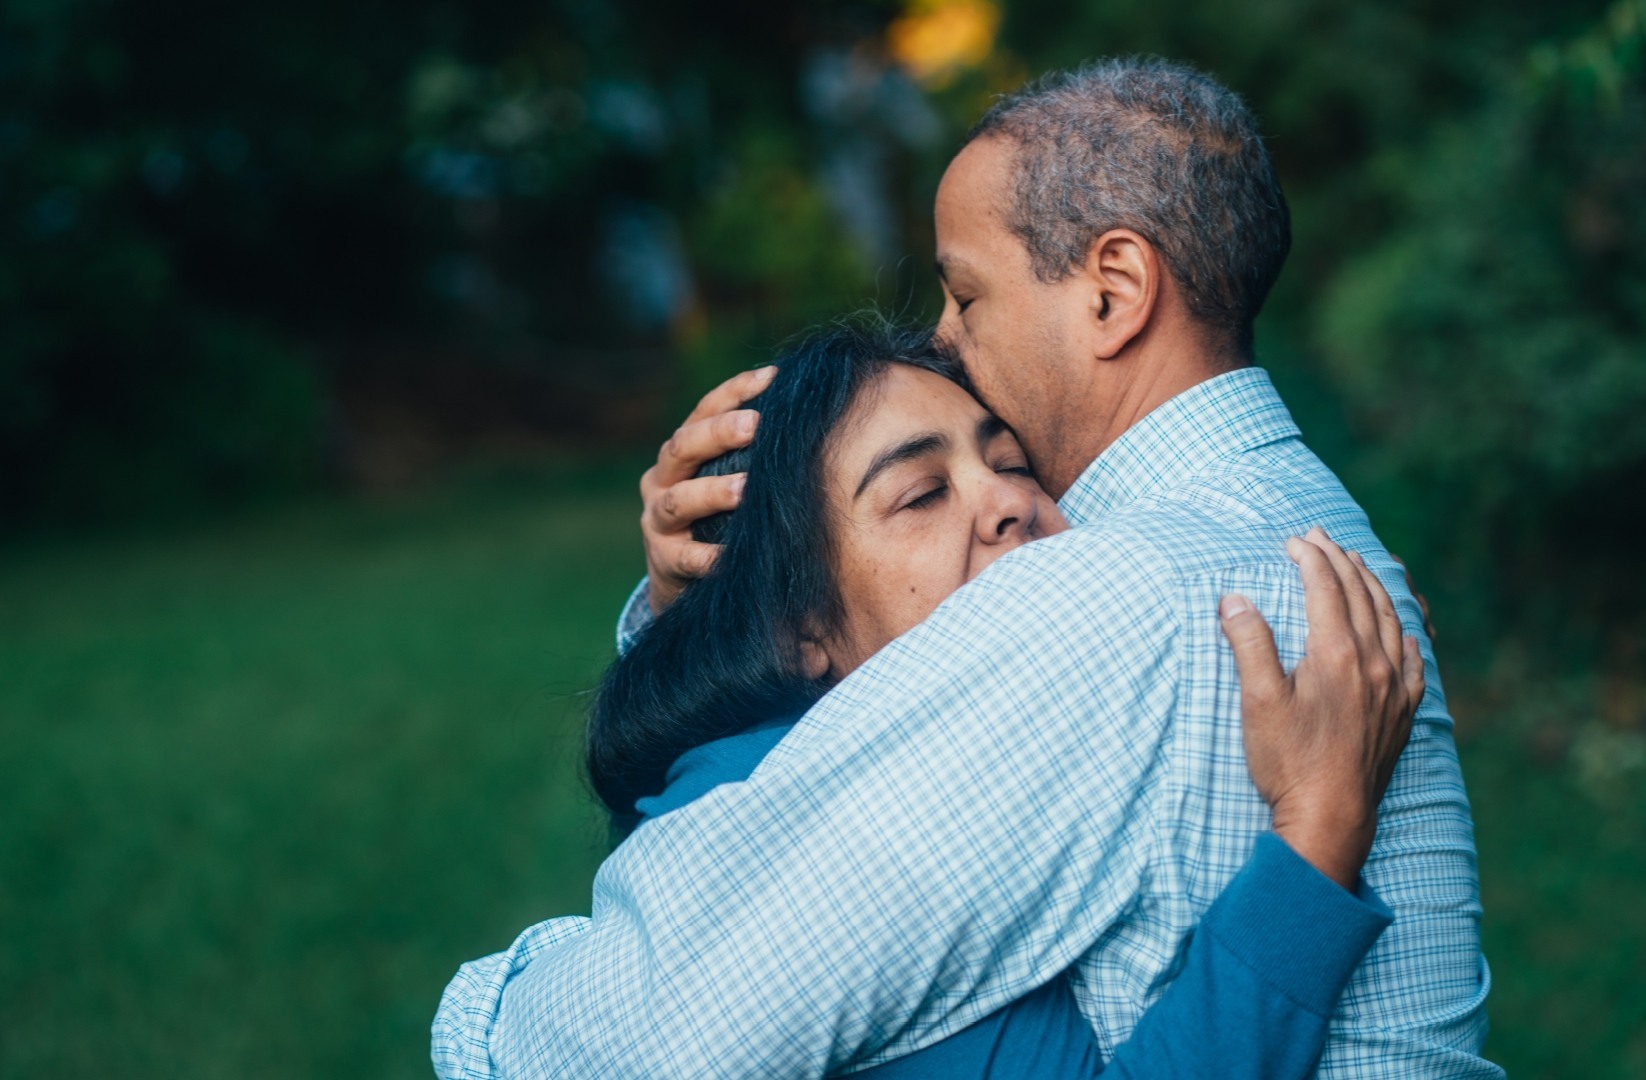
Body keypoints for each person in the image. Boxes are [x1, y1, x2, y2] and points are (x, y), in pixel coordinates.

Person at [439, 58, 1495, 1078]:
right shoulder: (1300, 532)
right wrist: (702, 609)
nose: (943, 341)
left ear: (1114, 291)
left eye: (967, 296)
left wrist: (487, 1004)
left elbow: (637, 1036)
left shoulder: (1106, 596)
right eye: (921, 488)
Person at [560, 321, 1418, 1078]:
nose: (1010, 500)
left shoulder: (759, 762)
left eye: (1010, 462)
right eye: (923, 494)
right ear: (798, 628)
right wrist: (1319, 829)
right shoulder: (872, 860)